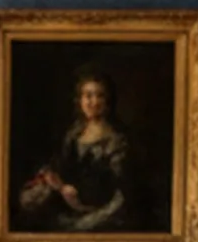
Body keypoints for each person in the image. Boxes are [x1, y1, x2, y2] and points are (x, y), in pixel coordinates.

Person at [17, 69, 131, 231]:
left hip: (98, 215)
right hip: (66, 209)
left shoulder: (116, 141)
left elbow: (120, 195)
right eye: (88, 96)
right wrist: (54, 180)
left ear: (108, 101)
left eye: (100, 96)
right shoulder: (74, 133)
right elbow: (61, 168)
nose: (94, 102)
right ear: (80, 100)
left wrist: (86, 215)